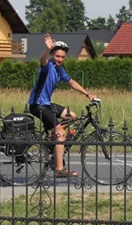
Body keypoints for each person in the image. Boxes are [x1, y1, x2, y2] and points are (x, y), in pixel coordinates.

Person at [28, 34, 96, 177]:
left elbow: (71, 82)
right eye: (57, 56)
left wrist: (88, 94)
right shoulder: (48, 67)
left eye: (62, 57)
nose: (60, 59)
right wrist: (48, 49)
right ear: (52, 55)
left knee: (72, 116)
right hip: (37, 104)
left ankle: (54, 135)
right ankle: (59, 169)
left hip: (46, 104)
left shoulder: (60, 70)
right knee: (61, 134)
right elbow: (42, 60)